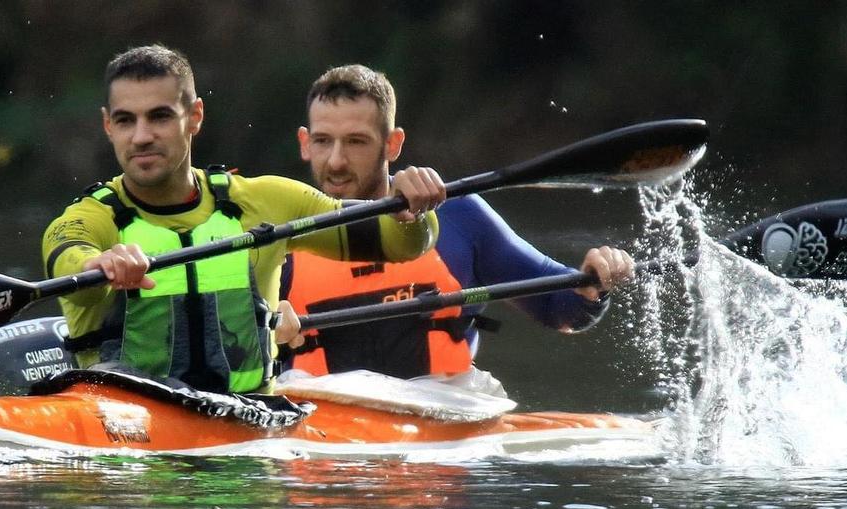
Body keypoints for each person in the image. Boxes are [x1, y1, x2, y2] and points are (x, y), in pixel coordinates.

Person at [42, 46, 444, 395]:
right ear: (108, 125)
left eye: (160, 117)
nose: (142, 136)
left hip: (249, 439)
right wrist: (98, 266)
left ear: (195, 116)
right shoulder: (89, 218)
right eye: (126, 120)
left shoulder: (268, 201)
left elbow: (399, 243)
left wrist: (411, 213)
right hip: (124, 445)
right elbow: (71, 264)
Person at [280, 64, 635, 379]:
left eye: (356, 141)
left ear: (392, 145)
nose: (337, 161)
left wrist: (591, 283)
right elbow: (233, 355)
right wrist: (263, 333)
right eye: (323, 141)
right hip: (316, 437)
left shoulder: (459, 219)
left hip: (442, 428)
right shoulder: (274, 233)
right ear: (304, 143)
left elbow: (561, 310)